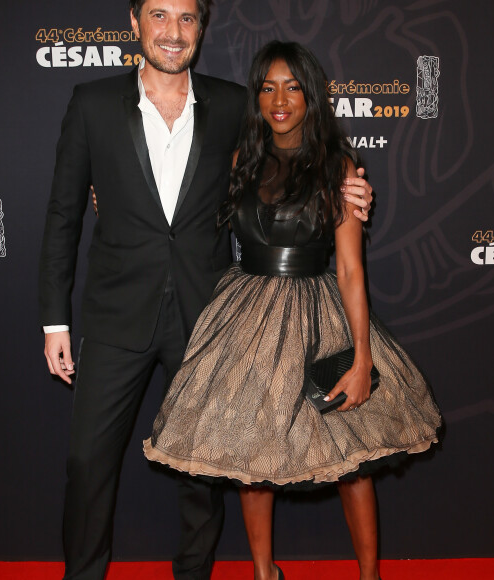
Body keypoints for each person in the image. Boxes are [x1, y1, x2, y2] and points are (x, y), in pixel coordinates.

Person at [39, 2, 374, 579]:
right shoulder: (92, 104)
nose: (173, 32)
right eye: (160, 15)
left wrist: (348, 181)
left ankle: (195, 573)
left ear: (202, 27)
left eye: (187, 18)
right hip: (116, 314)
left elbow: (290, 150)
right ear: (135, 21)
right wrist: (55, 322)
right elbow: (63, 216)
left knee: (203, 465)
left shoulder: (230, 106)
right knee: (88, 462)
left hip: (208, 315)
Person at [144, 40, 442, 580]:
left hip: (317, 314)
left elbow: (351, 270)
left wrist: (360, 359)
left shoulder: (339, 166)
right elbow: (177, 206)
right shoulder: (241, 159)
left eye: (293, 87)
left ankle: (370, 575)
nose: (279, 100)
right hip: (248, 318)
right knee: (254, 457)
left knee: (353, 459)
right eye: (267, 87)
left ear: (311, 95)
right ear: (257, 96)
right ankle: (264, 573)